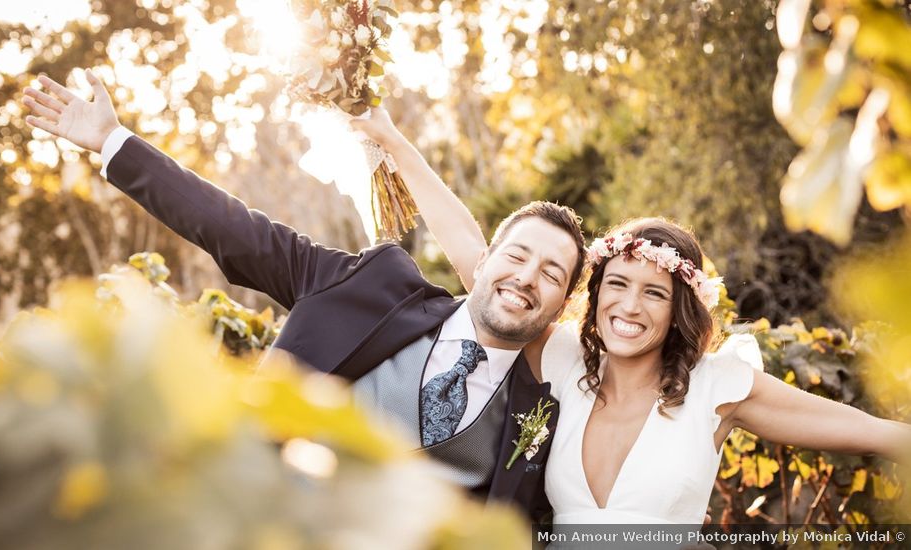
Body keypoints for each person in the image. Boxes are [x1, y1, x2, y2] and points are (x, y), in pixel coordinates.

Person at [21, 70, 588, 520]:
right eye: (517, 255)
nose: (526, 277)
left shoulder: (545, 409)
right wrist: (112, 142)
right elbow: (234, 229)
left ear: (561, 305)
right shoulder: (372, 285)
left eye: (550, 273)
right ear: (483, 260)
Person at [351, 108, 911, 525]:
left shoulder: (717, 387)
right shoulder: (566, 363)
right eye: (616, 285)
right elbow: (481, 261)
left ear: (679, 310)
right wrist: (392, 138)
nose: (629, 306)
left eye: (654, 293)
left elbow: (872, 433)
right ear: (594, 297)